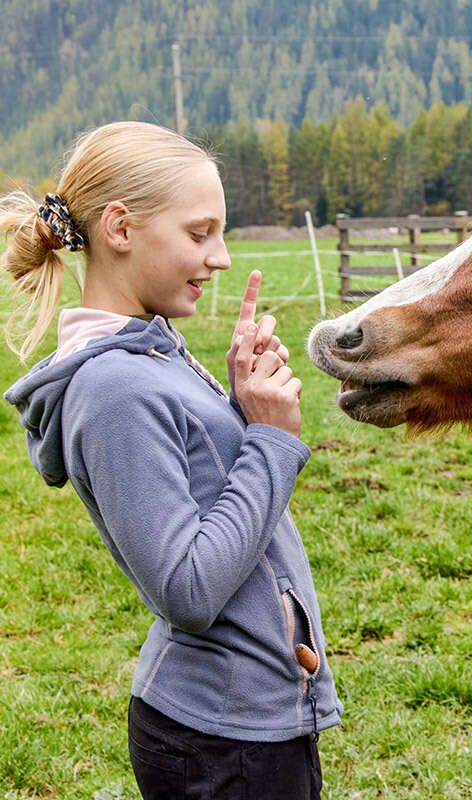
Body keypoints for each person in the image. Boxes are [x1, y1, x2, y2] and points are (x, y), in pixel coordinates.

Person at [2, 121, 341, 799]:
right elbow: (186, 589)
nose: (219, 257)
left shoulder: (149, 356)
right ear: (121, 229)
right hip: (221, 742)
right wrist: (272, 439)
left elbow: (212, 493)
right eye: (199, 232)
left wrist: (245, 404)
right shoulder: (116, 388)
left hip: (249, 720)